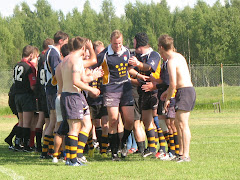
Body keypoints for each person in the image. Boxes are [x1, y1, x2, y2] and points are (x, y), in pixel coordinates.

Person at [60, 37, 102, 166]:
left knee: (85, 124)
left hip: (71, 95)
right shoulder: (76, 59)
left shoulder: (66, 59)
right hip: (72, 96)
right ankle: (72, 160)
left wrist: (92, 76)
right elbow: (76, 81)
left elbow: (82, 78)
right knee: (74, 128)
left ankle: (75, 157)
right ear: (83, 48)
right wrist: (92, 90)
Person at [97, 30, 134, 161]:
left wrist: (139, 72)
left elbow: (129, 67)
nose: (117, 46)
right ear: (110, 42)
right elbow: (94, 67)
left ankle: (123, 142)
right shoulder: (104, 54)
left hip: (126, 88)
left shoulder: (127, 51)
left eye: (119, 43)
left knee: (130, 120)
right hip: (111, 88)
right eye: (115, 43)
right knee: (113, 119)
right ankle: (114, 152)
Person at [158, 34, 196, 162]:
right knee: (178, 124)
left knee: (183, 124)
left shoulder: (171, 61)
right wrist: (167, 92)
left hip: (184, 91)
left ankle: (186, 155)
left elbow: (173, 83)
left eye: (159, 48)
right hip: (184, 91)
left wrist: (168, 99)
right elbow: (175, 84)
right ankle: (180, 153)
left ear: (161, 47)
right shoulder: (179, 56)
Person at [129, 32, 161, 157]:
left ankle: (161, 148)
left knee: (158, 121)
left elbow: (149, 67)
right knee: (147, 121)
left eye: (134, 41)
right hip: (141, 91)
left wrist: (138, 64)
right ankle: (151, 148)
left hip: (153, 91)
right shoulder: (136, 55)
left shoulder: (153, 54)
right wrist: (138, 74)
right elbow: (128, 69)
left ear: (138, 42)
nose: (133, 44)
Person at [41, 31, 69, 159]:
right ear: (61, 41)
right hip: (53, 89)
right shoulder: (53, 53)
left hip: (51, 89)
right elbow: (56, 71)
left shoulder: (51, 52)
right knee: (55, 121)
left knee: (52, 121)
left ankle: (46, 151)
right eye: (66, 42)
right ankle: (49, 151)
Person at [13, 45, 37, 152]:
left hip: (17, 96)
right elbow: (32, 85)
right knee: (27, 123)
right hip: (26, 96)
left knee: (21, 122)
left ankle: (17, 144)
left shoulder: (17, 65)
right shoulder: (29, 67)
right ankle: (27, 146)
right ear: (31, 55)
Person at [35, 38, 54, 152]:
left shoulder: (39, 58)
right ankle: (47, 147)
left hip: (41, 91)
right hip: (47, 90)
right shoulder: (49, 56)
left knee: (41, 120)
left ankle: (39, 146)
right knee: (48, 121)